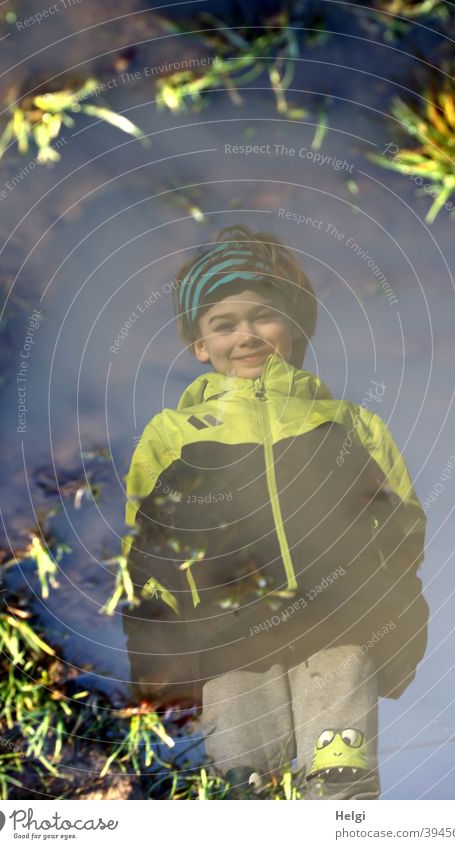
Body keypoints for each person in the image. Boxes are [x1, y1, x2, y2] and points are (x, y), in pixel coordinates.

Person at [121, 224, 429, 800]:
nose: (245, 335)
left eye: (262, 316)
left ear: (293, 324)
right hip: (228, 641)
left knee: (342, 783)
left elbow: (401, 528)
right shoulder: (173, 433)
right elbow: (143, 545)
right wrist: (160, 657)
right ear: (199, 345)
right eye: (223, 324)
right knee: (243, 790)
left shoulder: (350, 425)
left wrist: (397, 618)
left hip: (340, 628)